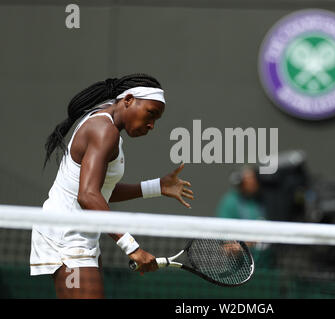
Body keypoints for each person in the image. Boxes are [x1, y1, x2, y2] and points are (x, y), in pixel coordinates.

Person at [30, 74, 194, 298]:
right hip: (66, 239)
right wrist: (132, 247)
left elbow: (100, 191)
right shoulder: (104, 130)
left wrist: (157, 186)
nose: (151, 125)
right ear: (128, 100)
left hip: (79, 237)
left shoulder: (104, 122)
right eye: (150, 113)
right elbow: (87, 195)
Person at [216, 166, 274, 269]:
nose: (251, 181)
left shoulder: (268, 199)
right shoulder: (230, 202)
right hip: (240, 272)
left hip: (268, 269)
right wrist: (253, 240)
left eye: (253, 177)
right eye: (247, 178)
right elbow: (227, 247)